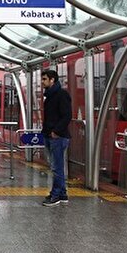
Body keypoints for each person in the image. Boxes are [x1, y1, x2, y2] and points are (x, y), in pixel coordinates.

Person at [40, 69, 72, 207]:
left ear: (52, 80)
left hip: (58, 137)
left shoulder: (61, 95)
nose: (42, 82)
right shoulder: (50, 95)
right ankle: (63, 194)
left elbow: (67, 116)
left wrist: (56, 131)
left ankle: (56, 195)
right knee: (56, 166)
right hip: (50, 135)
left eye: (44, 79)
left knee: (57, 167)